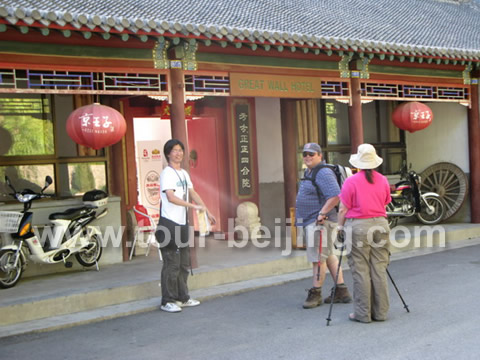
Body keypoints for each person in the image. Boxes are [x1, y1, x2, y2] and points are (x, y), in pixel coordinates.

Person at [159, 139, 216, 313]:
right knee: (171, 263)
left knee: (184, 263)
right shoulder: (166, 173)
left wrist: (206, 210)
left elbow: (192, 192)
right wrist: (192, 207)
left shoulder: (183, 173)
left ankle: (182, 297)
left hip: (183, 224)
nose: (178, 153)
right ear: (168, 153)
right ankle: (167, 300)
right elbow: (171, 197)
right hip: (169, 224)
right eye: (174, 150)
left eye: (180, 150)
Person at [337, 143, 391, 323]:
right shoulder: (383, 179)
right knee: (379, 268)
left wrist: (339, 228)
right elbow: (385, 202)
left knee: (360, 269)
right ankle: (381, 312)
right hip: (381, 224)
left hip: (359, 226)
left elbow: (343, 209)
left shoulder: (351, 181)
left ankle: (362, 313)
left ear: (358, 162)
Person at [295, 142, 352, 309]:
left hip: (320, 222)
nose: (307, 157)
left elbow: (335, 195)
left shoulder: (323, 172)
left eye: (311, 154)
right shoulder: (310, 171)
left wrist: (322, 213)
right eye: (305, 153)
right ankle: (342, 290)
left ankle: (316, 293)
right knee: (327, 255)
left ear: (320, 155)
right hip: (314, 220)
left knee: (317, 258)